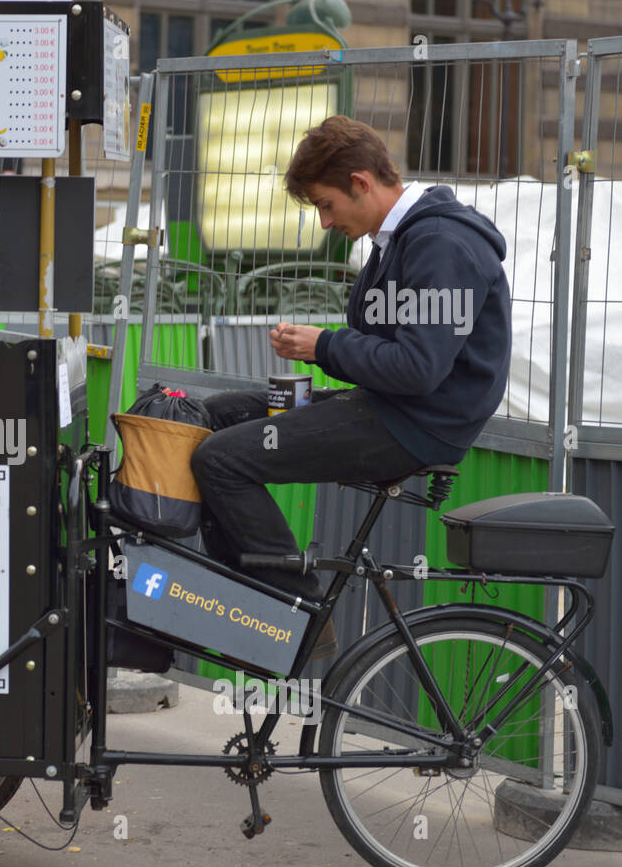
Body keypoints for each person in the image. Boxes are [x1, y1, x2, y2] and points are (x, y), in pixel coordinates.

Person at [189, 115, 512, 656]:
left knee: (220, 460)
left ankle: (293, 621)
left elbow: (418, 369)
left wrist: (324, 346)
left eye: (325, 204)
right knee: (216, 413)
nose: (323, 222)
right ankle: (245, 595)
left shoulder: (440, 243)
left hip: (414, 425)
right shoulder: (394, 242)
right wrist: (324, 353)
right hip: (387, 406)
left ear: (361, 183)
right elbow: (380, 351)